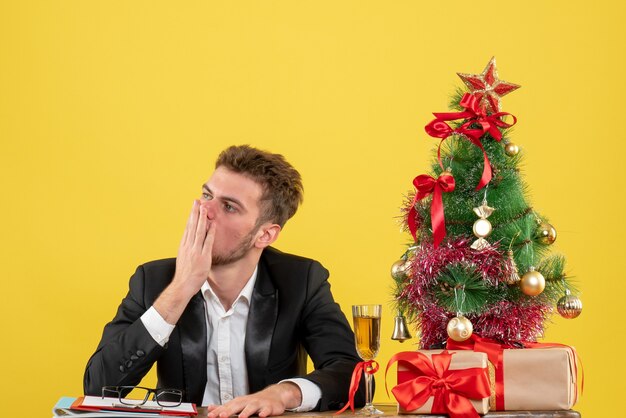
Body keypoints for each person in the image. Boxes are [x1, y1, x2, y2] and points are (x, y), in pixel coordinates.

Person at [84, 145, 364, 417]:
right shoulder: (154, 281)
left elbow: (356, 378)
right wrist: (181, 288)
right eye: (207, 195)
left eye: (229, 207)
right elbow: (97, 387)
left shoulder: (301, 280)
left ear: (265, 235)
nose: (206, 211)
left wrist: (283, 394)